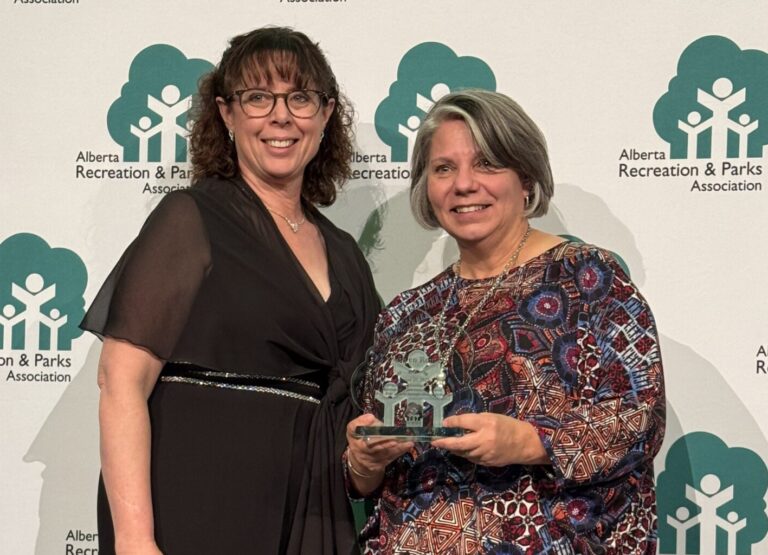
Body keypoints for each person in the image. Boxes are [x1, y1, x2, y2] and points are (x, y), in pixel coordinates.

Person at [82, 27, 380, 554]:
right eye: (258, 97)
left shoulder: (346, 254)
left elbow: (352, 417)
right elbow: (120, 383)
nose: (281, 116)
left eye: (301, 98)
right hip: (196, 502)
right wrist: (133, 540)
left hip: (312, 509)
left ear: (327, 114)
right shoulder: (191, 218)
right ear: (226, 114)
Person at [345, 90, 665, 554]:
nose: (464, 184)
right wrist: (362, 462)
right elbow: (374, 474)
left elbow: (640, 418)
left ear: (526, 177)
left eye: (487, 164)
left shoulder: (588, 279)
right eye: (443, 168)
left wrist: (531, 441)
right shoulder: (406, 313)